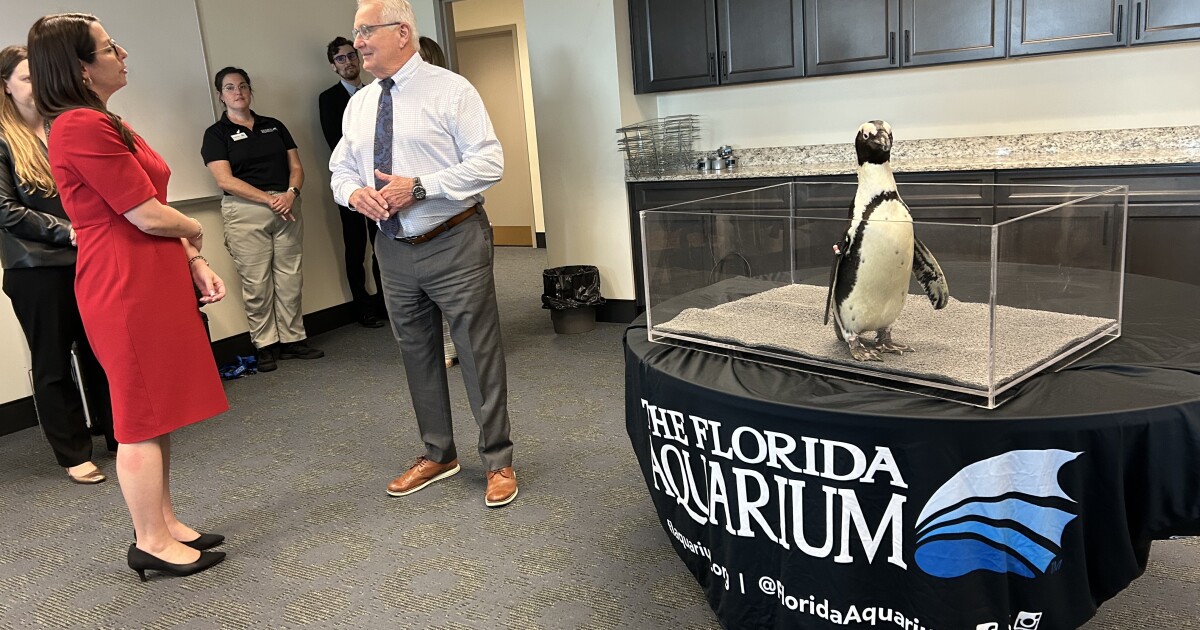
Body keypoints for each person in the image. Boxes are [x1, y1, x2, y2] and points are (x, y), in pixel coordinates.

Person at [30, 13, 228, 579]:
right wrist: (195, 231)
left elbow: (148, 209)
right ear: (80, 68)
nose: (122, 53)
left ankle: (164, 523)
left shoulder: (105, 120)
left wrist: (192, 260)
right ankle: (149, 541)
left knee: (155, 406)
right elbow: (144, 214)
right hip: (122, 281)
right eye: (109, 47)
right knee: (139, 415)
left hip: (147, 271)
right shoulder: (78, 126)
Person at [331, 0, 517, 507]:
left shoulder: (451, 90)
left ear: (402, 33)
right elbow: (339, 169)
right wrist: (354, 194)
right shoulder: (360, 104)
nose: (358, 42)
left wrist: (420, 187)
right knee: (416, 352)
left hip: (453, 238)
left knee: (476, 353)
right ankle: (438, 453)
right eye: (356, 32)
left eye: (366, 30)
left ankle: (497, 459)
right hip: (392, 247)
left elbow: (490, 162)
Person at [1, 44, 116, 484]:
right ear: (5, 86)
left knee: (101, 351)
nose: (37, 84)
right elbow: (5, 209)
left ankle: (119, 433)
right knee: (52, 362)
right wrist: (68, 231)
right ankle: (73, 452)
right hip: (36, 269)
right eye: (27, 78)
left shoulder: (64, 127)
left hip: (88, 258)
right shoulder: (2, 139)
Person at [202, 67, 324, 372]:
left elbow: (296, 167)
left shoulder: (274, 126)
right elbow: (225, 180)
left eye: (243, 86)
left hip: (287, 206)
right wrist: (270, 200)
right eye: (230, 88)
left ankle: (293, 340)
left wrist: (290, 194)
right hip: (246, 211)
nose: (238, 92)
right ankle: (265, 344)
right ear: (220, 95)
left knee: (290, 277)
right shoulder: (216, 134)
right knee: (256, 282)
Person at [319, 37, 385, 330]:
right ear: (333, 66)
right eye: (341, 59)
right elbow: (337, 144)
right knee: (356, 248)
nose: (348, 62)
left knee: (381, 246)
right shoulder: (329, 99)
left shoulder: (375, 93)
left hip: (379, 183)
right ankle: (364, 308)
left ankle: (385, 302)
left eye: (351, 56)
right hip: (351, 187)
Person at [416, 35, 457, 370]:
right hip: (413, 218)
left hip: (452, 212)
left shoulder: (453, 96)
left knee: (456, 293)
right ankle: (444, 346)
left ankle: (460, 344)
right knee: (427, 294)